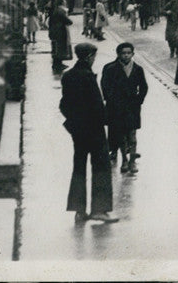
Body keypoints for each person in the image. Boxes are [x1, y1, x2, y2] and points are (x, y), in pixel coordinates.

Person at [59, 42, 118, 222]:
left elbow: (64, 104)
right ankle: (99, 209)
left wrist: (73, 122)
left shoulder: (68, 75)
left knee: (79, 167)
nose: (94, 60)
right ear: (89, 57)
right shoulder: (88, 77)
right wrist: (106, 120)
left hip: (78, 129)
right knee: (101, 166)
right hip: (94, 129)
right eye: (94, 56)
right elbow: (97, 106)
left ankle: (79, 210)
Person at [100, 42, 149, 174]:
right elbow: (105, 86)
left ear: (133, 54)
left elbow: (143, 87)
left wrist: (139, 100)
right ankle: (124, 160)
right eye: (123, 53)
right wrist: (111, 100)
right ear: (118, 54)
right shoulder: (110, 69)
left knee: (132, 135)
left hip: (132, 107)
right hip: (117, 107)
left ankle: (132, 161)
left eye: (129, 53)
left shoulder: (138, 69)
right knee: (121, 135)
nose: (126, 56)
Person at [48, 2, 74, 73]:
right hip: (60, 31)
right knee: (60, 48)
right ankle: (58, 65)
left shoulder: (55, 10)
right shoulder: (60, 11)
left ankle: (57, 64)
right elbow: (68, 21)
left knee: (57, 48)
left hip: (55, 31)